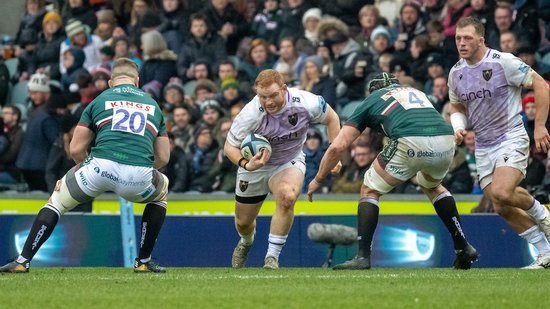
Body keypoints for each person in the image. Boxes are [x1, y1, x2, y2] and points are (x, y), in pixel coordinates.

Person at [0, 58, 170, 273]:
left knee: (57, 202)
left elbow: (76, 149)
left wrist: (88, 167)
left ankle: (22, 261)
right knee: (161, 191)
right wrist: (139, 166)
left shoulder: (99, 101)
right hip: (138, 175)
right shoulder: (153, 105)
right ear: (136, 81)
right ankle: (144, 261)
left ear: (110, 82)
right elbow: (164, 156)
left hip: (98, 168)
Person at [307, 72, 479, 270]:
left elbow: (338, 146)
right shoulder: (416, 92)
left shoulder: (372, 99)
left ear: (372, 91)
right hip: (445, 139)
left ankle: (362, 256)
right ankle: (463, 246)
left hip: (410, 139)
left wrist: (318, 179)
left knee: (370, 190)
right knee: (432, 186)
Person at [449, 17, 550, 269]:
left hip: (510, 135)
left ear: (481, 40)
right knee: (500, 206)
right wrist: (459, 126)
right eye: (458, 38)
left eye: (468, 38)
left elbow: (540, 84)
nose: (462, 43)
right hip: (483, 145)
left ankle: (544, 216)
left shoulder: (503, 62)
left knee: (503, 191)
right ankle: (546, 251)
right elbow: (456, 106)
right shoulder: (456, 73)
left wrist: (539, 125)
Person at [224, 69, 341, 269]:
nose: (268, 102)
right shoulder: (250, 114)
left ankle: (272, 257)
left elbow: (332, 118)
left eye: (272, 96)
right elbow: (229, 147)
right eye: (262, 97)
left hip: (289, 159)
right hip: (255, 167)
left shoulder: (306, 102)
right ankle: (246, 241)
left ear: (284, 89)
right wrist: (246, 164)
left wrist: (334, 151)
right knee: (243, 222)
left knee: (287, 197)